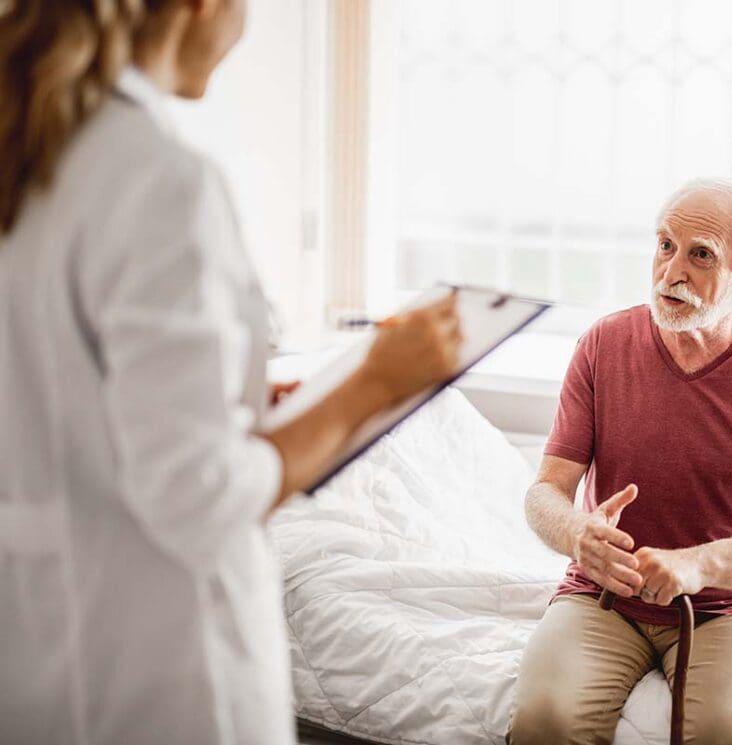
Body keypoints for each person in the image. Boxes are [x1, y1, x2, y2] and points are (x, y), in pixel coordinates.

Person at [0, 2, 461, 744]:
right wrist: (372, 384)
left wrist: (223, 402)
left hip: (35, 658)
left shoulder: (29, 153)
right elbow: (198, 493)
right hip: (159, 676)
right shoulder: (156, 179)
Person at [507, 178, 732, 745]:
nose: (671, 273)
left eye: (701, 255)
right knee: (544, 724)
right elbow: (545, 492)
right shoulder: (602, 344)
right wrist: (577, 536)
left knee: (723, 733)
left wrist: (699, 566)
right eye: (665, 245)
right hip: (606, 594)